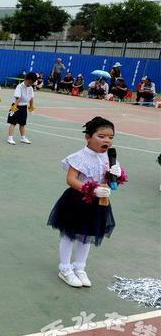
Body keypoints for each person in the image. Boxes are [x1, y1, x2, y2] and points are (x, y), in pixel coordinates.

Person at [47, 117, 125, 287]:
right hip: (77, 200)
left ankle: (80, 267)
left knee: (87, 236)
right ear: (88, 137)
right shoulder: (79, 157)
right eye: (101, 136)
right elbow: (71, 179)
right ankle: (65, 269)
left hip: (99, 203)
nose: (107, 140)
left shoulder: (109, 158)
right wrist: (91, 189)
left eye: (110, 137)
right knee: (70, 235)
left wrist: (115, 176)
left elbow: (113, 185)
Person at [7, 72, 36, 145]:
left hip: (24, 107)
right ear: (25, 79)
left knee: (22, 124)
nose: (29, 84)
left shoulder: (30, 88)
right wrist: (14, 109)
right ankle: (10, 138)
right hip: (16, 106)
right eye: (29, 82)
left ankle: (23, 137)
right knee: (13, 123)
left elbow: (31, 98)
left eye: (31, 83)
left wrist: (31, 107)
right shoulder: (19, 86)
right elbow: (18, 98)